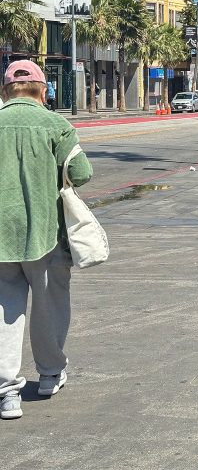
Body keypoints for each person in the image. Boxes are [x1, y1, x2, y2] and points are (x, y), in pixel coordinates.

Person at [0, 61, 93, 420]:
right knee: (49, 305)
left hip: (2, 235)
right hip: (47, 234)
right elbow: (81, 173)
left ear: (5, 91)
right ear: (42, 91)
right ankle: (49, 374)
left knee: (6, 309)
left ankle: (7, 392)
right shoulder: (56, 125)